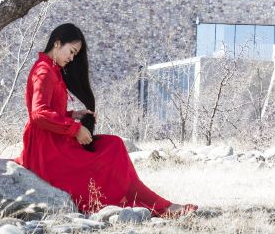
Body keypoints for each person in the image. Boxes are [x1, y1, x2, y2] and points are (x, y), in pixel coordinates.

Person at [15, 23, 197, 217]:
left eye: (75, 54)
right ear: (57, 43)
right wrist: (75, 129)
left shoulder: (51, 69)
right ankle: (155, 206)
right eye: (71, 51)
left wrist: (73, 115)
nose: (72, 57)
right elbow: (38, 114)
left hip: (53, 138)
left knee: (114, 144)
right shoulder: (44, 72)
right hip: (47, 148)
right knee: (110, 151)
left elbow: (48, 110)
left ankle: (150, 203)